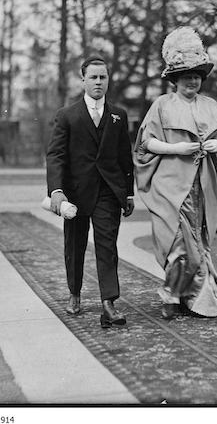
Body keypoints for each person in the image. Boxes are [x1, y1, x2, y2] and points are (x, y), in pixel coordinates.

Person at [135, 27, 217, 320]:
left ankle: (194, 298)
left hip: (201, 188)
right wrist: (176, 148)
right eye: (186, 76)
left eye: (196, 76)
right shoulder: (162, 105)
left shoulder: (211, 106)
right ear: (175, 79)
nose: (192, 81)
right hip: (170, 187)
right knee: (178, 243)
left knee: (198, 241)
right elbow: (146, 142)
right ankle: (171, 295)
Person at [46, 56, 135, 328]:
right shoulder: (67, 115)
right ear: (83, 80)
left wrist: (128, 193)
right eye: (93, 77)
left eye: (103, 77)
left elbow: (124, 157)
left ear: (109, 80)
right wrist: (57, 192)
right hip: (75, 194)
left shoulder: (118, 115)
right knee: (75, 245)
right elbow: (56, 155)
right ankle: (74, 293)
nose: (98, 82)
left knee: (107, 247)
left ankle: (109, 302)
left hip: (108, 192)